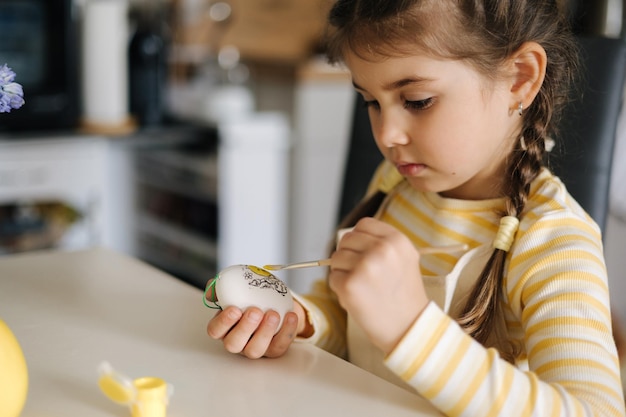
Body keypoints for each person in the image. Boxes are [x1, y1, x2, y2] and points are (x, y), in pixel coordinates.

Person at [206, 1, 626, 415]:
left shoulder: (554, 241)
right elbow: (342, 313)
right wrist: (301, 320)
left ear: (519, 78)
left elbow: (595, 410)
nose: (387, 135)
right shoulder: (395, 185)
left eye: (418, 100)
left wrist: (412, 328)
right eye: (371, 101)